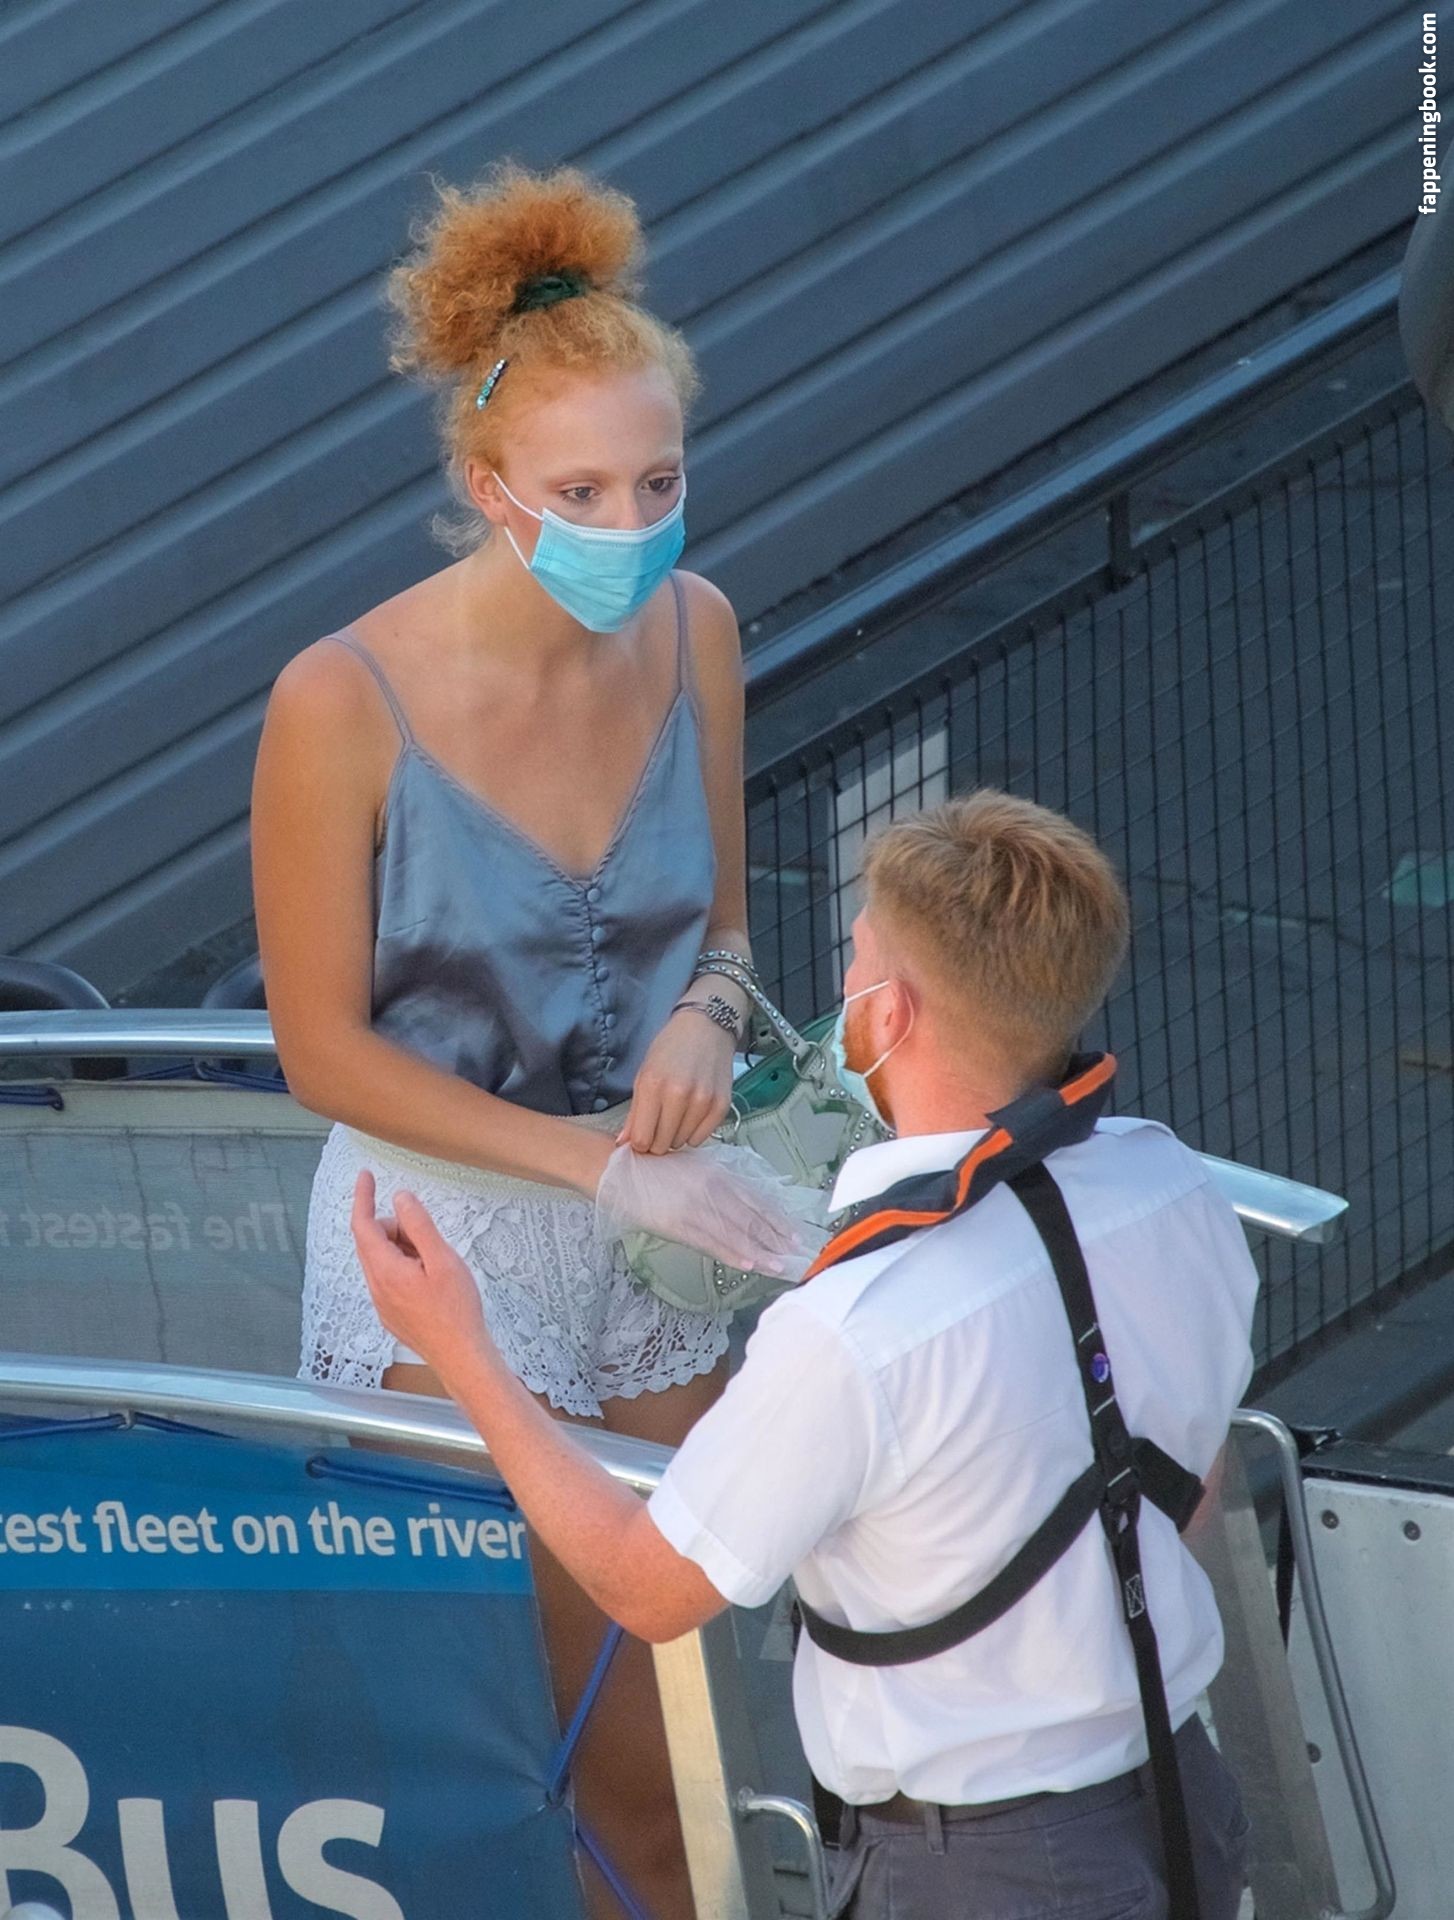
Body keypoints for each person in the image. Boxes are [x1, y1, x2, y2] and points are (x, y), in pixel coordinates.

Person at [350, 788, 1260, 1920]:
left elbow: (646, 1587)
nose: (846, 988)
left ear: (890, 1016)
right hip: (1184, 1798)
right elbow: (1191, 1482)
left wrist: (459, 1347)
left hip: (982, 1874)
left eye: (857, 961)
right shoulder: (1170, 1183)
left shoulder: (855, 1328)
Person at [249, 158, 809, 1919]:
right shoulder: (338, 698)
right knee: (585, 1778)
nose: (629, 524)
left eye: (659, 481)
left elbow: (727, 932)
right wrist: (597, 1168)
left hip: (658, 1233)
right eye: (580, 491)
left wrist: (710, 1015)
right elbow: (319, 1054)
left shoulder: (696, 630)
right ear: (487, 490)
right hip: (450, 1248)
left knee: (700, 1755)